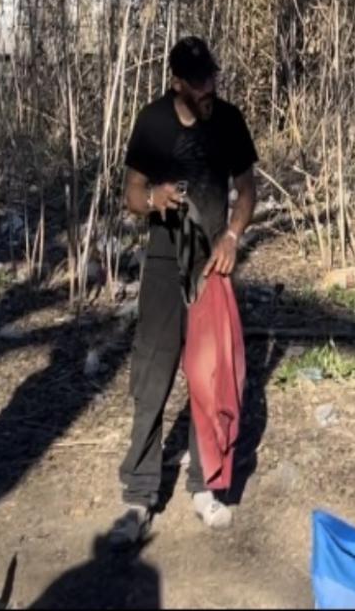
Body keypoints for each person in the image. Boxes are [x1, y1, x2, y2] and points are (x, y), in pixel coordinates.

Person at [109, 37, 257, 546]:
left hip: (212, 263)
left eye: (212, 77)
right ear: (178, 83)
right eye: (198, 83)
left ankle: (205, 485)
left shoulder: (230, 122)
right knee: (153, 372)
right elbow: (130, 193)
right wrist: (152, 198)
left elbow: (247, 188)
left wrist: (233, 236)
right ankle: (139, 492)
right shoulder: (153, 122)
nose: (208, 89)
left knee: (210, 375)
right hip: (164, 261)